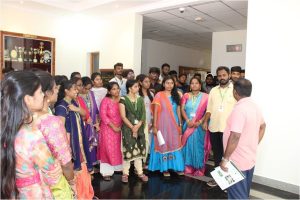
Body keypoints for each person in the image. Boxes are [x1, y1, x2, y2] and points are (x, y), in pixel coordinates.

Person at [1, 71, 62, 199]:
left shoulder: (6, 127)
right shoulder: (31, 136)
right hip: (34, 193)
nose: (42, 95)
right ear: (28, 99)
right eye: (40, 92)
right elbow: (54, 176)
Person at [220, 78, 266, 199]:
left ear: (235, 91)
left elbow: (235, 136)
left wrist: (225, 159)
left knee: (237, 196)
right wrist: (253, 143)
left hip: (236, 162)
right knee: (243, 194)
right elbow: (263, 126)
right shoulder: (255, 106)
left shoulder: (239, 109)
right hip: (249, 159)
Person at [33, 70, 75, 198]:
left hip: (30, 184)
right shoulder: (50, 121)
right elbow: (66, 163)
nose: (58, 90)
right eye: (55, 87)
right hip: (53, 185)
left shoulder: (23, 116)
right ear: (46, 93)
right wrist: (71, 182)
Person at [55, 79, 94, 199]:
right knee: (75, 167)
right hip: (71, 142)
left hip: (80, 140)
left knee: (83, 165)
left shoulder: (74, 102)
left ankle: (85, 194)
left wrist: (76, 109)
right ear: (66, 91)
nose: (77, 91)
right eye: (74, 89)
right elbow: (60, 129)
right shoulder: (61, 106)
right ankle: (78, 195)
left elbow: (84, 113)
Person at [202, 66, 236, 187]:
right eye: (220, 75)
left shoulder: (235, 89)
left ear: (229, 75)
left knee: (228, 156)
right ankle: (218, 179)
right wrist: (205, 121)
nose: (222, 77)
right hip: (214, 127)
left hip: (228, 129)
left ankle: (229, 182)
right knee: (217, 154)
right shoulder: (213, 90)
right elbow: (209, 109)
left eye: (224, 75)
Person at [149, 75, 184, 177]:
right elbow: (155, 112)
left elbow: (178, 111)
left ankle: (175, 167)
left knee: (174, 143)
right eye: (167, 83)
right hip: (162, 124)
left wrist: (180, 124)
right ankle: (164, 168)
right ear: (163, 84)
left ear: (174, 84)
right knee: (163, 144)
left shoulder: (177, 94)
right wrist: (154, 126)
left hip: (174, 124)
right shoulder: (159, 95)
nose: (169, 85)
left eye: (172, 83)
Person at [119, 79, 148, 183]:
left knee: (139, 151)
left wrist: (138, 125)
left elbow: (143, 114)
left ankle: (140, 172)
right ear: (130, 88)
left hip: (139, 129)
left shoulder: (140, 99)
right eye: (136, 86)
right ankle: (125, 173)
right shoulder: (123, 99)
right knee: (128, 150)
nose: (138, 88)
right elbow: (123, 116)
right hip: (127, 129)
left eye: (138, 86)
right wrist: (132, 127)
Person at [181, 77, 211, 176]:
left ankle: (199, 168)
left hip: (199, 126)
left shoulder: (206, 96)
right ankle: (188, 167)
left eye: (196, 83)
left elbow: (208, 111)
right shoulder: (186, 95)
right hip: (188, 124)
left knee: (198, 146)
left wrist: (201, 121)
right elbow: (182, 110)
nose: (194, 85)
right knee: (188, 146)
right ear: (190, 85)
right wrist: (187, 120)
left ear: (200, 85)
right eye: (192, 83)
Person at [99, 82, 123, 181]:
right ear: (109, 91)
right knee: (107, 149)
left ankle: (118, 167)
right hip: (108, 128)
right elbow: (103, 115)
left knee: (118, 148)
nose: (116, 90)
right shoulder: (105, 100)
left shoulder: (122, 100)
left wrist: (121, 126)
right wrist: (113, 127)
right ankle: (106, 172)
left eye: (117, 88)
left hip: (120, 128)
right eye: (113, 89)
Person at [80, 76, 100, 167]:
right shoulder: (77, 96)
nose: (87, 90)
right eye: (85, 88)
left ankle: (92, 163)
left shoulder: (91, 93)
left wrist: (96, 123)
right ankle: (86, 165)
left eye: (89, 88)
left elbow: (95, 109)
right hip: (83, 124)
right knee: (84, 143)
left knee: (93, 143)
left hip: (92, 123)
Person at [136, 74, 154, 167]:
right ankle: (140, 162)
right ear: (140, 82)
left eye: (149, 82)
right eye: (146, 82)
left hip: (149, 120)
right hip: (140, 121)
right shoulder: (137, 94)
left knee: (149, 140)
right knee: (141, 140)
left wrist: (152, 122)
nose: (148, 83)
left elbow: (153, 109)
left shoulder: (151, 94)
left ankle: (147, 159)